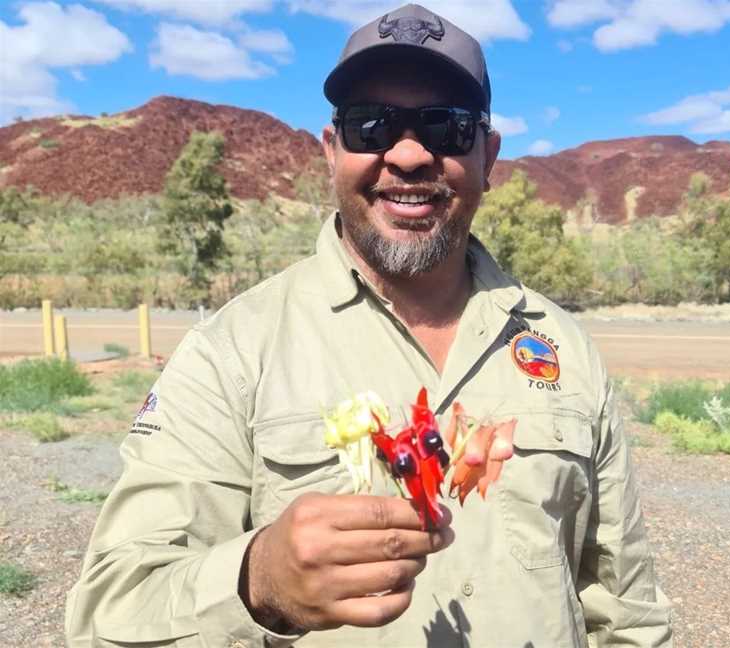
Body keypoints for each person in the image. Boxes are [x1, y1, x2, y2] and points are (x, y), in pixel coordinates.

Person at [66, 4, 672, 646]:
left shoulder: (562, 346)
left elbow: (625, 610)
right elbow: (110, 608)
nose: (408, 155)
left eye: (446, 126)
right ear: (332, 151)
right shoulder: (234, 351)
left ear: (488, 157)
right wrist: (258, 582)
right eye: (370, 125)